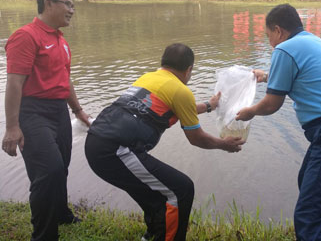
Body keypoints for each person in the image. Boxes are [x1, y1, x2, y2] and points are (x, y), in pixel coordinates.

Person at [236, 4, 321, 241]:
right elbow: (304, 74)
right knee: (315, 192)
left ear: (278, 30)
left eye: (269, 35)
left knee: (311, 213)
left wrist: (249, 111)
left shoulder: (285, 49)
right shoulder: (314, 41)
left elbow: (271, 104)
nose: (270, 43)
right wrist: (266, 75)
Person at [84, 43, 245, 241]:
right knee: (181, 189)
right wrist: (224, 144)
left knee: (157, 194)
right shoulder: (180, 90)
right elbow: (196, 138)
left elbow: (178, 106)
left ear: (163, 63)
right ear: (189, 70)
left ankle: (154, 234)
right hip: (116, 151)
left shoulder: (148, 78)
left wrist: (209, 106)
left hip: (95, 142)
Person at [1, 0, 90, 241]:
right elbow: (14, 82)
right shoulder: (25, 36)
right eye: (67, 4)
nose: (72, 10)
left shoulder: (60, 39)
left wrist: (78, 110)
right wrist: (12, 127)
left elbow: (66, 79)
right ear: (48, 4)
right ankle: (43, 235)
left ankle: (61, 213)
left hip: (58, 111)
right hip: (32, 112)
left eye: (73, 5)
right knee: (47, 171)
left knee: (60, 167)